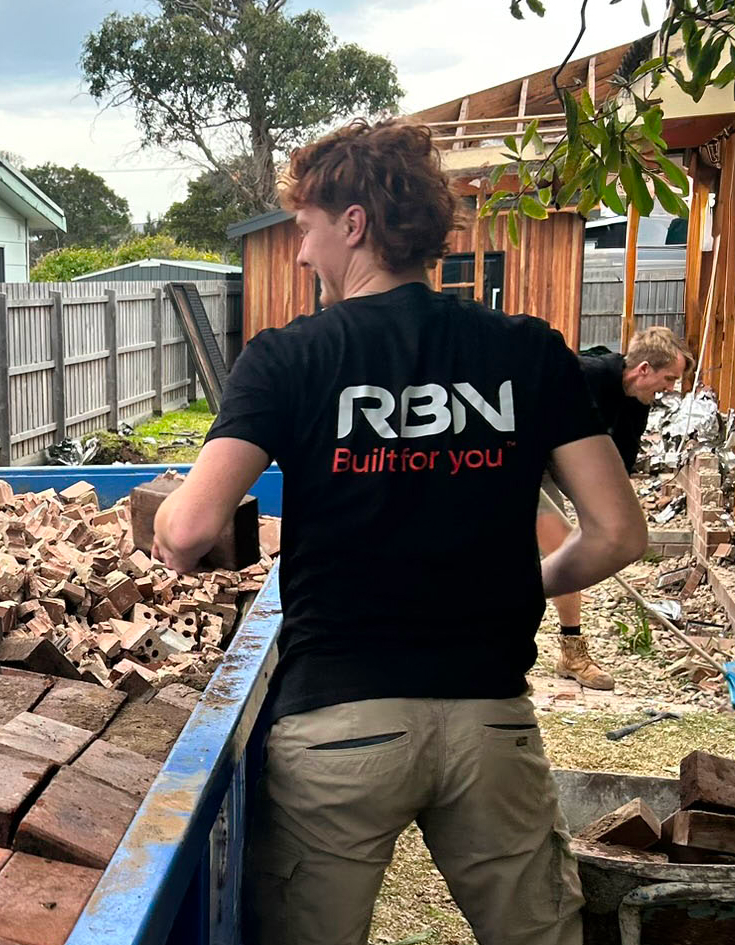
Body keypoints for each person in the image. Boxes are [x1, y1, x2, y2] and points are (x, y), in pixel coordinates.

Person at [152, 120, 647, 944]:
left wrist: (163, 515)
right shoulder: (526, 350)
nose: (302, 255)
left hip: (340, 726)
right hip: (492, 720)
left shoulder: (287, 357)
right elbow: (618, 534)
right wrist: (527, 582)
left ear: (353, 224)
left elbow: (192, 529)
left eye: (306, 230)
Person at [543, 326, 690, 690]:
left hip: (563, 460)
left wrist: (609, 525)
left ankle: (567, 653)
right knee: (560, 548)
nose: (670, 388)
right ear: (643, 370)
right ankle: (554, 652)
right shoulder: (584, 374)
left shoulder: (635, 404)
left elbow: (616, 471)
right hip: (524, 460)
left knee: (567, 551)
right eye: (668, 378)